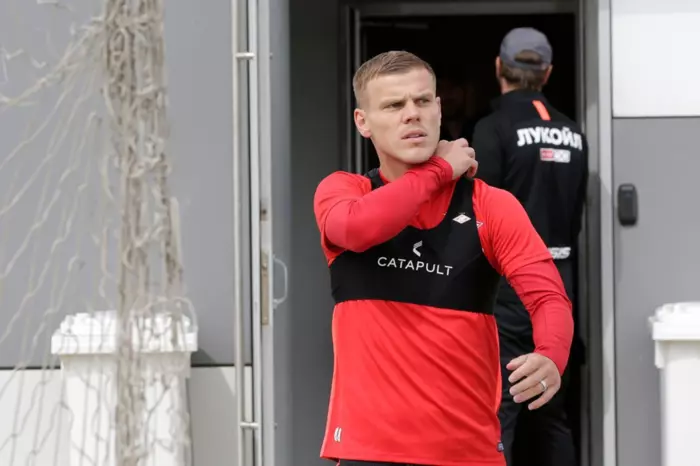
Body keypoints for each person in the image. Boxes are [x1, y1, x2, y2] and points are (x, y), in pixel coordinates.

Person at [312, 50, 574, 466]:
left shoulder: (491, 205)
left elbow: (548, 298)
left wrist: (551, 354)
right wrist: (438, 171)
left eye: (422, 101)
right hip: (367, 449)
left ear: (438, 108)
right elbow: (357, 229)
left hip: (466, 451)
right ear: (363, 122)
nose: (411, 114)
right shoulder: (345, 192)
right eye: (394, 105)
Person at [470, 28, 589, 466]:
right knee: (550, 410)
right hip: (559, 283)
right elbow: (575, 219)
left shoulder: (492, 128)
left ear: (498, 68)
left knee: (497, 408)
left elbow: (478, 214)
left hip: (506, 288)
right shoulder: (574, 132)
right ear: (548, 73)